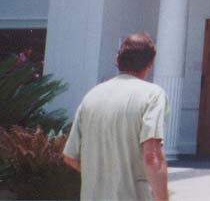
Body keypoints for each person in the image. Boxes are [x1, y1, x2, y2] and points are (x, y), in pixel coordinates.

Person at [63, 33, 170, 201]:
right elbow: (152, 156)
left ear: (119, 60)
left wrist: (104, 177)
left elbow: (70, 156)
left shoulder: (92, 96)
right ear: (149, 65)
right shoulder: (153, 95)